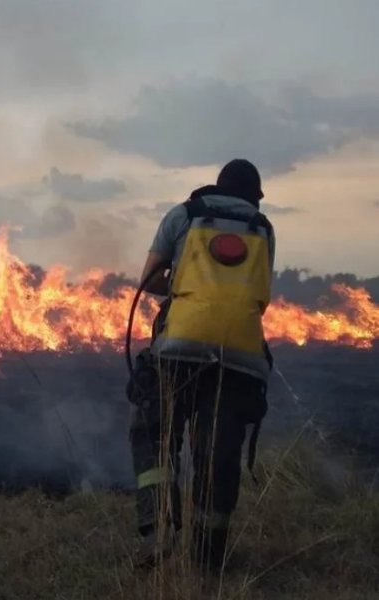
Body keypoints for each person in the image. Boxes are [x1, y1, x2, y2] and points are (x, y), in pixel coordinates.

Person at [128, 159, 276, 572]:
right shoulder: (263, 228)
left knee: (154, 433)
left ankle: (158, 530)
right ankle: (209, 559)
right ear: (252, 196)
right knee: (218, 454)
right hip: (241, 357)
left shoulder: (184, 215)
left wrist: (182, 281)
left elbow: (150, 281)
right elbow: (259, 295)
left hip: (179, 348)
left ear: (216, 186)